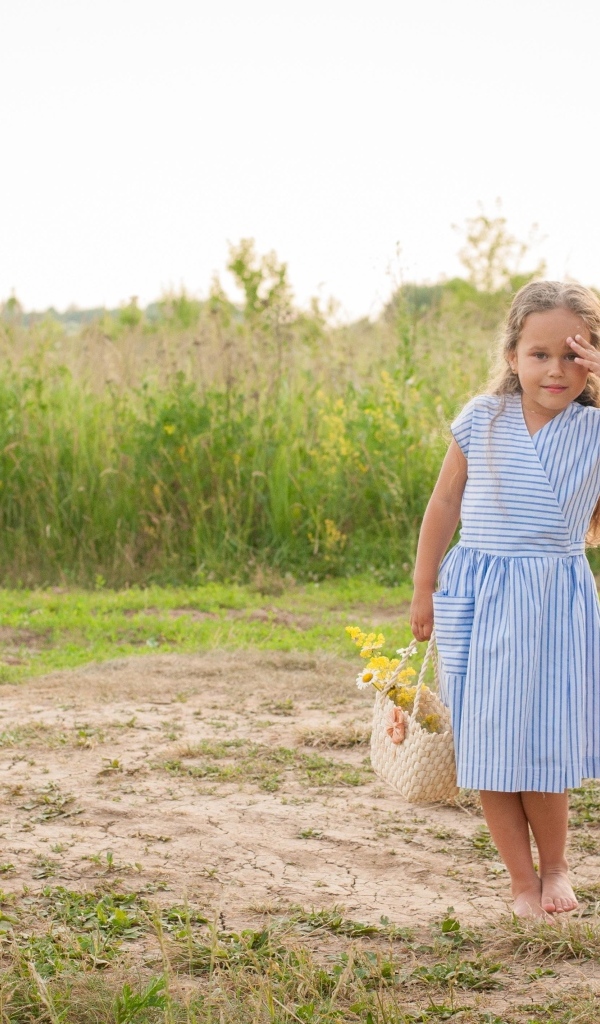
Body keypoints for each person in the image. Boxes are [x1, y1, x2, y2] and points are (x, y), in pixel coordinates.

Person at [410, 280, 600, 920]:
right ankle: (521, 882)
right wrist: (423, 586)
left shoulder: (594, 431)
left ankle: (557, 869)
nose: (556, 370)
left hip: (555, 603)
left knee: (544, 744)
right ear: (513, 355)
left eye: (574, 354)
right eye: (539, 353)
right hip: (482, 598)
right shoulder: (481, 419)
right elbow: (444, 505)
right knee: (490, 745)